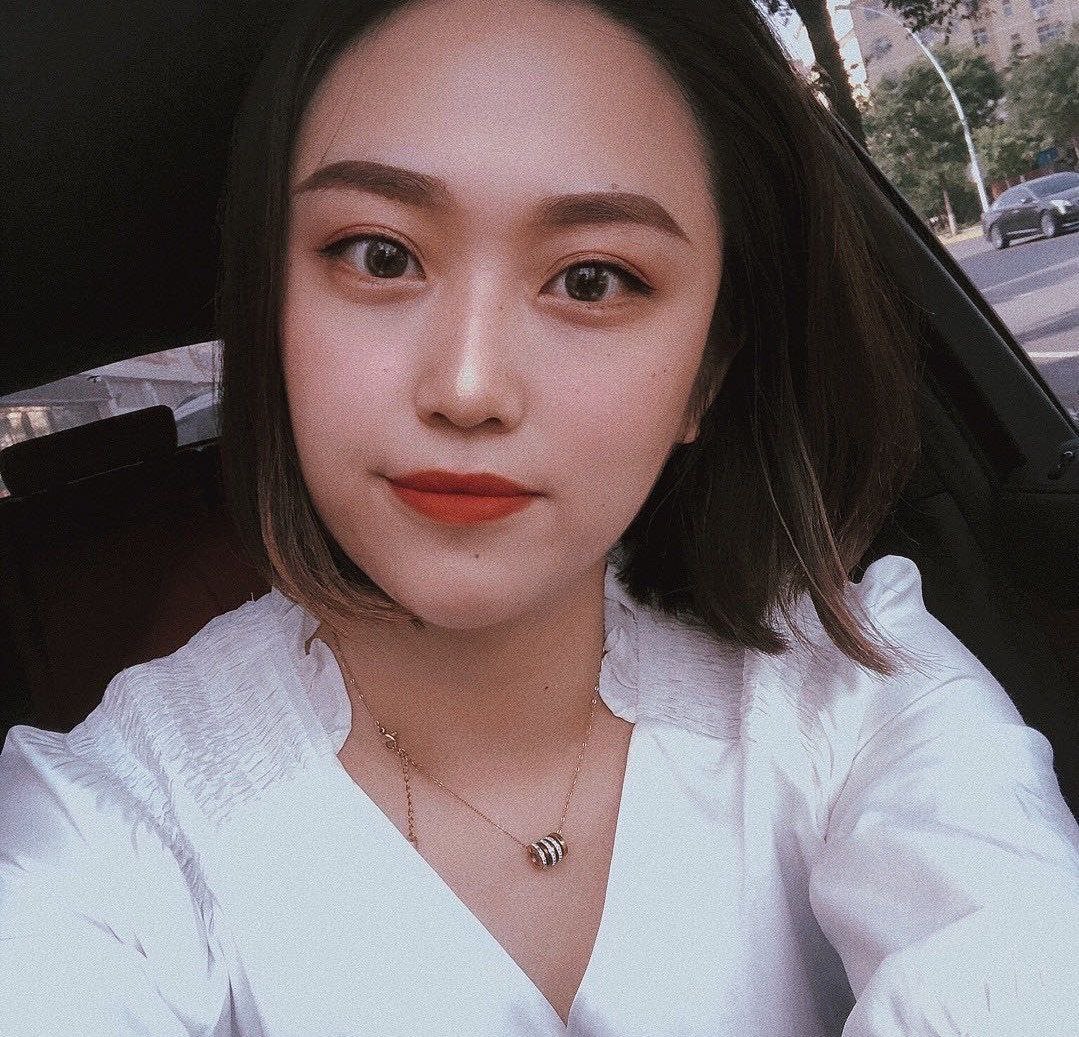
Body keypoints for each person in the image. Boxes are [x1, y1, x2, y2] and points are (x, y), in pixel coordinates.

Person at [2, 0, 1077, 1033]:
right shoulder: (117, 820)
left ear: (705, 373)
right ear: (271, 317)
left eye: (593, 279)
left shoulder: (852, 690)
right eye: (379, 255)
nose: (467, 386)